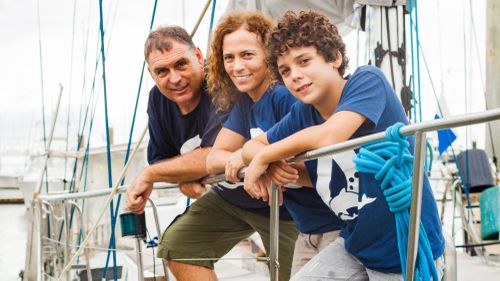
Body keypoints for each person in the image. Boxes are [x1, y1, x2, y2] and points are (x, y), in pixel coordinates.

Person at [242, 10, 445, 280]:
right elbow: (251, 147)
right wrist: (274, 166)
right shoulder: (302, 115)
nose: (295, 75)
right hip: (356, 245)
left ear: (335, 57)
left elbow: (331, 135)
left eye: (304, 61)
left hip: (405, 248)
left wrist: (266, 156)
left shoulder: (367, 82)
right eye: (285, 70)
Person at [205, 11, 344, 276]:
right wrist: (260, 161)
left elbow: (324, 157)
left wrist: (263, 158)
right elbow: (214, 158)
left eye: (247, 55)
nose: (237, 66)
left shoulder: (286, 95)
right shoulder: (247, 103)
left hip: (332, 220)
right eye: (228, 58)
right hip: (309, 226)